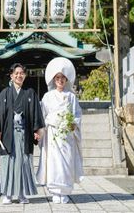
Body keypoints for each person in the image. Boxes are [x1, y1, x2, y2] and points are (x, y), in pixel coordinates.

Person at [0, 63, 45, 204]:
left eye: (21, 73)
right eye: (16, 73)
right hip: (8, 135)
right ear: (11, 75)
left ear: (25, 75)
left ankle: (21, 194)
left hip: (25, 136)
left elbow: (36, 114)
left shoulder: (30, 93)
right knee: (9, 164)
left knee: (24, 164)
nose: (19, 75)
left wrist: (37, 130)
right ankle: (7, 194)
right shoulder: (5, 93)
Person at [36, 57, 83, 204]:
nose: (60, 80)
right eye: (57, 78)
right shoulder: (47, 96)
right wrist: (41, 130)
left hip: (67, 134)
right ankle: (55, 191)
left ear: (67, 80)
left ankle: (66, 191)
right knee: (54, 162)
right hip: (52, 134)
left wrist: (73, 124)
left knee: (67, 161)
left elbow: (77, 114)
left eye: (63, 78)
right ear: (53, 80)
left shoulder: (71, 97)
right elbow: (43, 115)